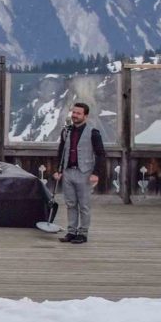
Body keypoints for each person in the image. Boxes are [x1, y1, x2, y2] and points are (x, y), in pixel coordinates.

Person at [56, 101, 106, 244]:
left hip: (84, 172)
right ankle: (71, 231)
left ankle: (83, 233)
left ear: (86, 116)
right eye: (74, 112)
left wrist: (96, 173)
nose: (75, 115)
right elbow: (61, 151)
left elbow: (101, 154)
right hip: (68, 172)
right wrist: (58, 170)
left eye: (78, 113)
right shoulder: (66, 131)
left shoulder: (93, 133)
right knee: (70, 203)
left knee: (84, 205)